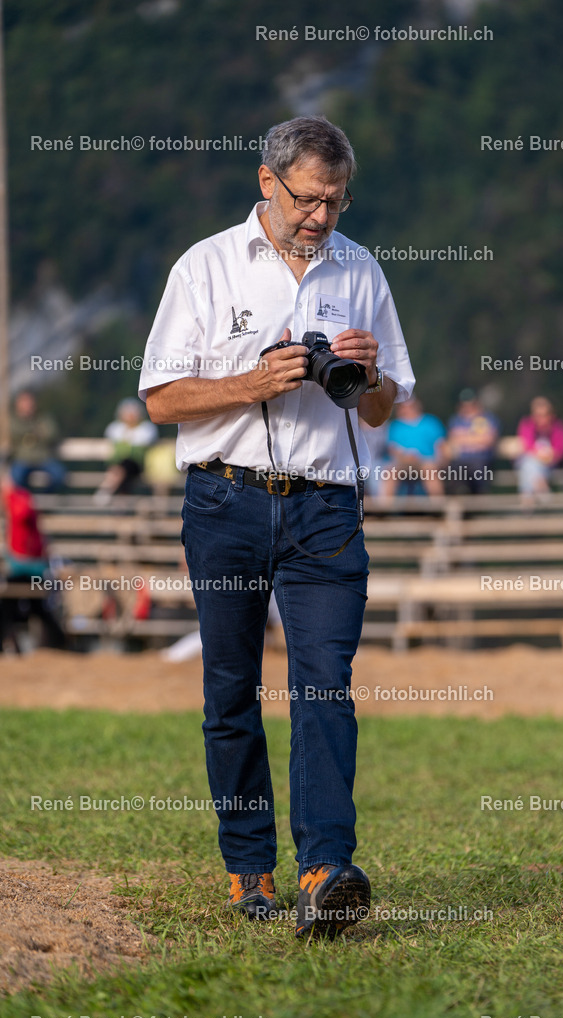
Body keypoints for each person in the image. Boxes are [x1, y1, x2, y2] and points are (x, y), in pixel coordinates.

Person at [139, 116, 415, 939]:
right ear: (267, 183)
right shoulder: (205, 265)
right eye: (307, 199)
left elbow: (380, 408)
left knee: (324, 684)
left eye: (335, 201)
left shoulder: (361, 267)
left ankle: (326, 868)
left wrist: (367, 378)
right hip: (224, 501)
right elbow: (159, 399)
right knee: (231, 690)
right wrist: (251, 381)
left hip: (327, 503)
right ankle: (247, 868)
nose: (321, 216)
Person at [1, 465, 66, 652]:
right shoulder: (19, 498)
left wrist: (8, 493)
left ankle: (56, 641)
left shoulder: (21, 499)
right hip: (24, 562)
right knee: (21, 606)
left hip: (27, 563)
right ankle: (56, 641)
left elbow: (22, 514)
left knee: (22, 605)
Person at [94, 398, 158, 504]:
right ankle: (121, 505)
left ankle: (106, 490)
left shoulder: (146, 428)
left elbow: (139, 448)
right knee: (123, 470)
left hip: (137, 465)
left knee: (124, 466)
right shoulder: (115, 428)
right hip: (121, 465)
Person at [382, 396, 445, 497]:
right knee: (390, 473)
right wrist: (405, 457)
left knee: (430, 471)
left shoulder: (431, 422)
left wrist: (440, 461)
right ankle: (385, 510)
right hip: (403, 461)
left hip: (425, 461)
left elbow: (441, 445)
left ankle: (437, 508)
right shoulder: (395, 426)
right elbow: (392, 449)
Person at [443, 388, 499, 495]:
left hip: (481, 461)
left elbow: (488, 440)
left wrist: (463, 438)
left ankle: (478, 505)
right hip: (459, 461)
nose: (467, 407)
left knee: (477, 474)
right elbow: (452, 441)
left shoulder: (488, 418)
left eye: (471, 403)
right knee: (453, 476)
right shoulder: (456, 420)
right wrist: (475, 438)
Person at [9, 390, 65, 492]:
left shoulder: (43, 418)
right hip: (23, 459)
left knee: (59, 475)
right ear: (18, 405)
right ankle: (27, 501)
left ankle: (45, 499)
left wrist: (34, 427)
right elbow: (12, 434)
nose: (28, 406)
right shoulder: (12, 420)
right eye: (24, 402)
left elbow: (51, 434)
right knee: (16, 477)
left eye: (30, 402)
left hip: (43, 457)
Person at [516, 396, 563, 498]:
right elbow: (527, 446)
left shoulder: (558, 426)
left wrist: (549, 456)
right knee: (530, 463)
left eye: (545, 415)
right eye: (538, 415)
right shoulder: (527, 424)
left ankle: (527, 500)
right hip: (532, 461)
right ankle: (542, 489)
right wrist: (540, 455)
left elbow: (560, 450)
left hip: (550, 464)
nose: (542, 419)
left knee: (528, 466)